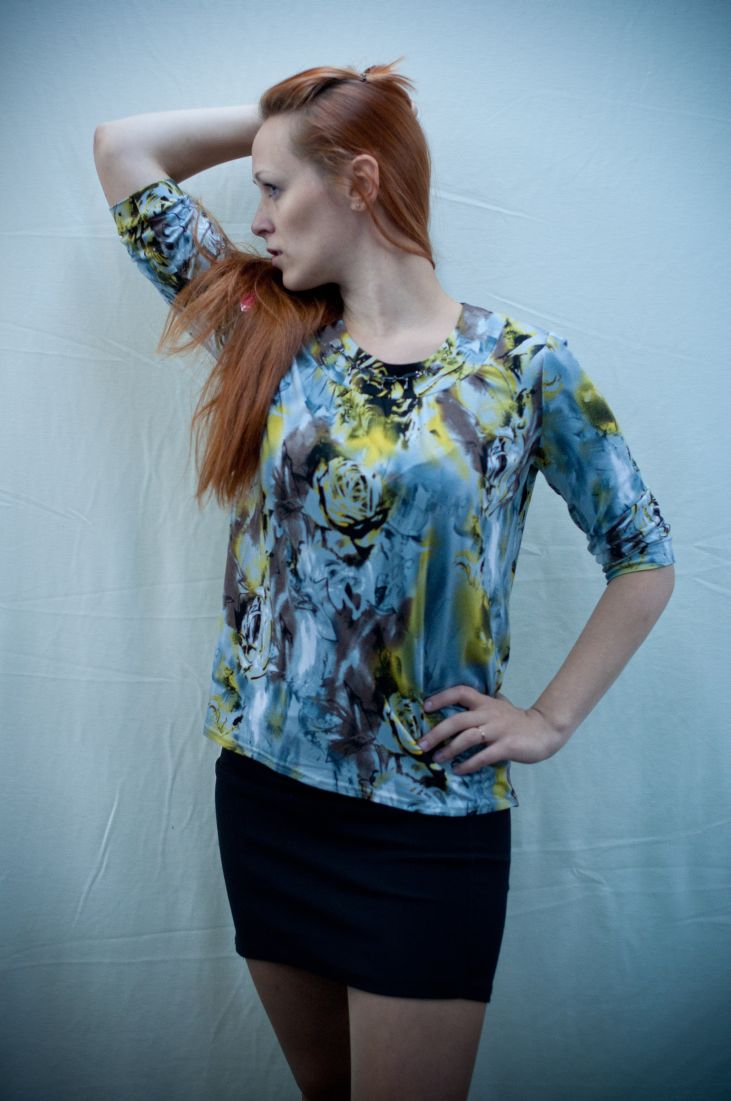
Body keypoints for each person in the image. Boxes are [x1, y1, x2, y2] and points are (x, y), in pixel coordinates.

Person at [93, 61, 675, 1101]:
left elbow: (642, 555)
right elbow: (121, 150)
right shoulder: (264, 328)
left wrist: (547, 719)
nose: (257, 218)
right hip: (267, 796)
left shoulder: (522, 366)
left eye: (276, 187)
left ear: (359, 183)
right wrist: (291, 116)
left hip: (429, 820)